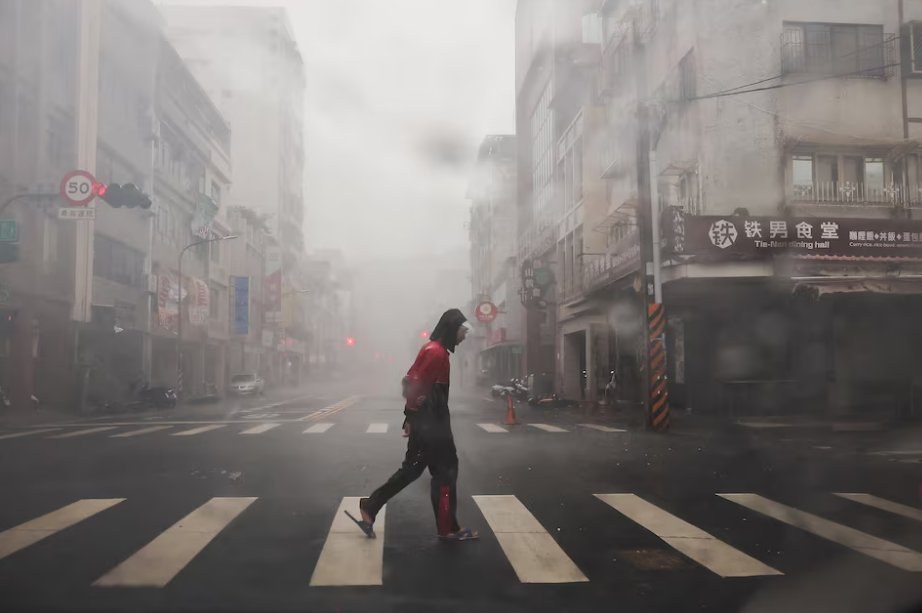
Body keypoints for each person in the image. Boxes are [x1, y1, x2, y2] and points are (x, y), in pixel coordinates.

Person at [345, 308, 478, 541]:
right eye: (462, 330)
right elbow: (415, 385)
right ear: (451, 329)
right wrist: (413, 417)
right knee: (446, 471)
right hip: (432, 425)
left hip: (426, 422)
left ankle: (371, 506)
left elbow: (410, 381)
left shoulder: (435, 350)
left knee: (413, 469)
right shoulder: (436, 353)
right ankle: (448, 528)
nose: (465, 335)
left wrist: (410, 417)